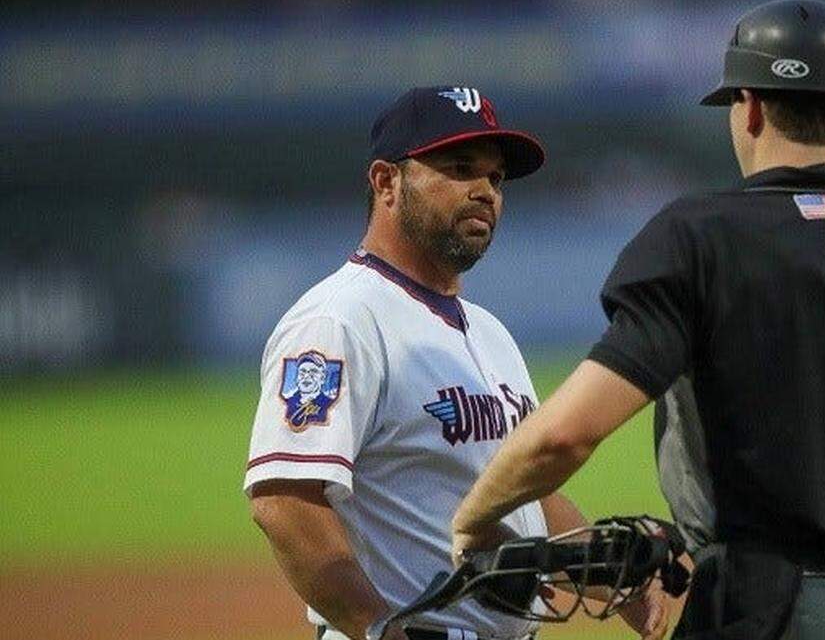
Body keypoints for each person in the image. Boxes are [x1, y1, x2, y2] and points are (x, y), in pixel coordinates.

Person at [451, 2, 825, 640]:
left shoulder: (697, 240)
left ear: (748, 108)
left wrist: (473, 519)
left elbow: (565, 436)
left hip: (756, 613)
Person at [244, 86, 665, 640]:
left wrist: (611, 577)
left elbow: (528, 495)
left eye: (496, 178)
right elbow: (285, 502)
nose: (484, 191)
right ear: (386, 182)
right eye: (460, 168)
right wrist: (379, 630)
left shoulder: (489, 333)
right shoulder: (339, 321)